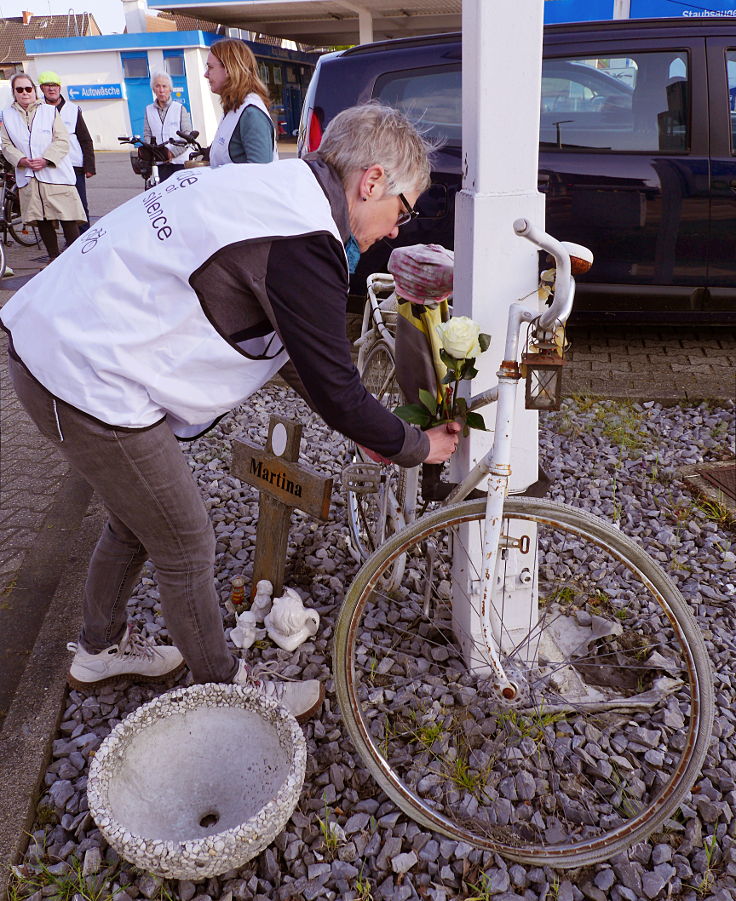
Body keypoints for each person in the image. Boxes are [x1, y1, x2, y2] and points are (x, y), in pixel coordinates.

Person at [0, 103, 459, 722]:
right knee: (187, 542)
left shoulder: (278, 189)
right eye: (402, 208)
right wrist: (416, 445)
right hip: (84, 378)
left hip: (57, 341)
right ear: (372, 181)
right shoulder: (305, 239)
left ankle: (100, 649)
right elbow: (331, 386)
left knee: (139, 519)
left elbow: (300, 356)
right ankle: (231, 691)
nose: (398, 228)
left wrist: (372, 428)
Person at [0, 72, 85, 260]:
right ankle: (54, 258)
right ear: (14, 93)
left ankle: (77, 259)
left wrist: (46, 159)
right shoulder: (7, 115)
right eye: (19, 89)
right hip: (29, 177)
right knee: (43, 219)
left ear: (34, 90)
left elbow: (62, 140)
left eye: (28, 89)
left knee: (68, 216)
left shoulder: (49, 111)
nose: (24, 93)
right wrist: (21, 160)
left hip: (55, 175)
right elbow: (5, 145)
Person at [38, 70, 96, 233]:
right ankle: (71, 239)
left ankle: (84, 237)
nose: (52, 89)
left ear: (59, 87)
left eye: (54, 85)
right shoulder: (38, 109)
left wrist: (89, 166)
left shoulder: (73, 109)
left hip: (74, 164)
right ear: (42, 88)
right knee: (60, 206)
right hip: (50, 166)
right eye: (48, 85)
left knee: (80, 204)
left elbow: (85, 139)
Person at [204, 39, 277, 167]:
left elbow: (261, 174)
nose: (206, 74)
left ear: (229, 69)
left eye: (210, 67)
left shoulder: (251, 114)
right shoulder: (234, 108)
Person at [143, 71, 193, 183]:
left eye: (164, 86)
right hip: (160, 164)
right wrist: (155, 153)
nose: (161, 90)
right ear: (153, 89)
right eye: (157, 86)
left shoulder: (179, 108)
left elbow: (187, 135)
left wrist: (172, 152)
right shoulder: (148, 110)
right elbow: (147, 134)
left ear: (170, 89)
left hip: (180, 163)